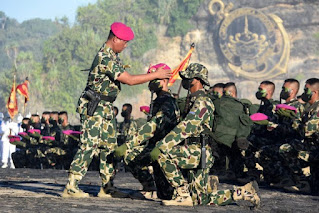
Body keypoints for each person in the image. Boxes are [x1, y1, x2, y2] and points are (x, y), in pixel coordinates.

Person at [62, 21, 171, 198]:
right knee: (89, 144)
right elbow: (129, 80)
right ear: (115, 39)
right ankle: (71, 185)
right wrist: (155, 75)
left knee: (109, 146)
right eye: (124, 42)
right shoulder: (105, 57)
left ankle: (107, 186)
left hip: (105, 107)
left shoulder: (113, 56)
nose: (126, 45)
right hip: (95, 106)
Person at [150, 63, 260, 207]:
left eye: (188, 78)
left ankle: (182, 194)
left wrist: (162, 145)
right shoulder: (193, 100)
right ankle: (243, 193)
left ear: (198, 80)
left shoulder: (202, 101)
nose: (185, 81)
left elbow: (187, 127)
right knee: (200, 199)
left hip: (198, 151)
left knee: (162, 154)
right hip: (195, 150)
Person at [114, 63, 179, 200]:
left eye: (155, 79)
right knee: (131, 156)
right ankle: (150, 188)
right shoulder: (158, 101)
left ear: (164, 80)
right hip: (155, 147)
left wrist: (129, 144)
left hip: (166, 149)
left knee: (169, 194)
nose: (152, 84)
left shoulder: (167, 102)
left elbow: (153, 127)